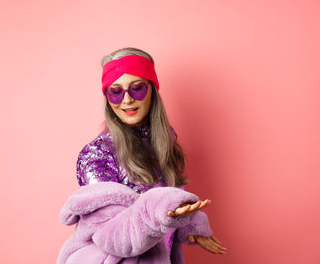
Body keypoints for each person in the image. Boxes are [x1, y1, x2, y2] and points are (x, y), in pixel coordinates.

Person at [57, 47, 226, 263]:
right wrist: (161, 209)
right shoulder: (97, 156)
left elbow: (161, 211)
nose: (126, 100)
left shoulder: (163, 145)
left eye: (137, 89)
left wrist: (188, 224)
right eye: (115, 92)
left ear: (152, 91)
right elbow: (109, 233)